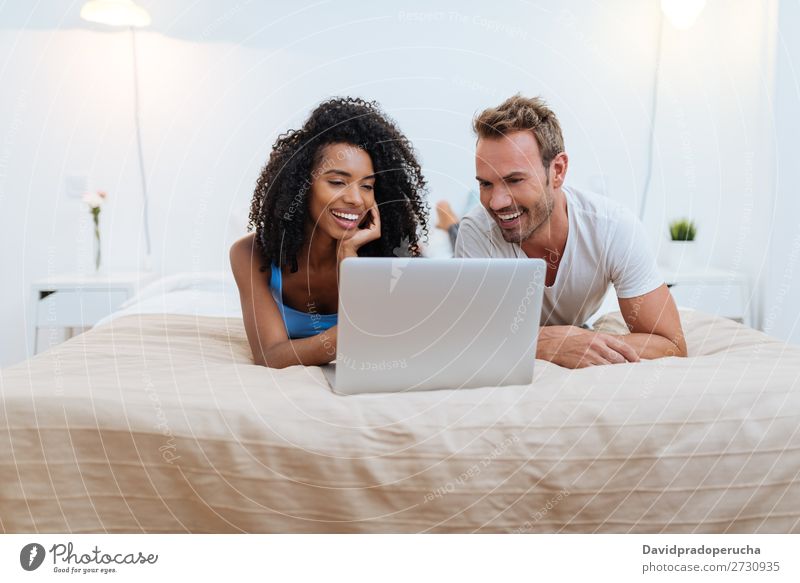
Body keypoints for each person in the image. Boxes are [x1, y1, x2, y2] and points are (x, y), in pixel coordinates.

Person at [455, 94, 687, 369]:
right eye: (486, 184)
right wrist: (548, 342)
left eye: (515, 180)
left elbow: (670, 344)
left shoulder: (612, 227)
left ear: (558, 171)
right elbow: (472, 340)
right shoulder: (477, 232)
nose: (496, 202)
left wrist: (585, 343)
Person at [230, 97, 429, 368]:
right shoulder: (250, 254)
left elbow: (397, 344)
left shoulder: (395, 256)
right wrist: (356, 334)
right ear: (303, 185)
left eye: (368, 186)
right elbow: (271, 354)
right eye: (337, 182)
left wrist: (348, 259)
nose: (356, 200)